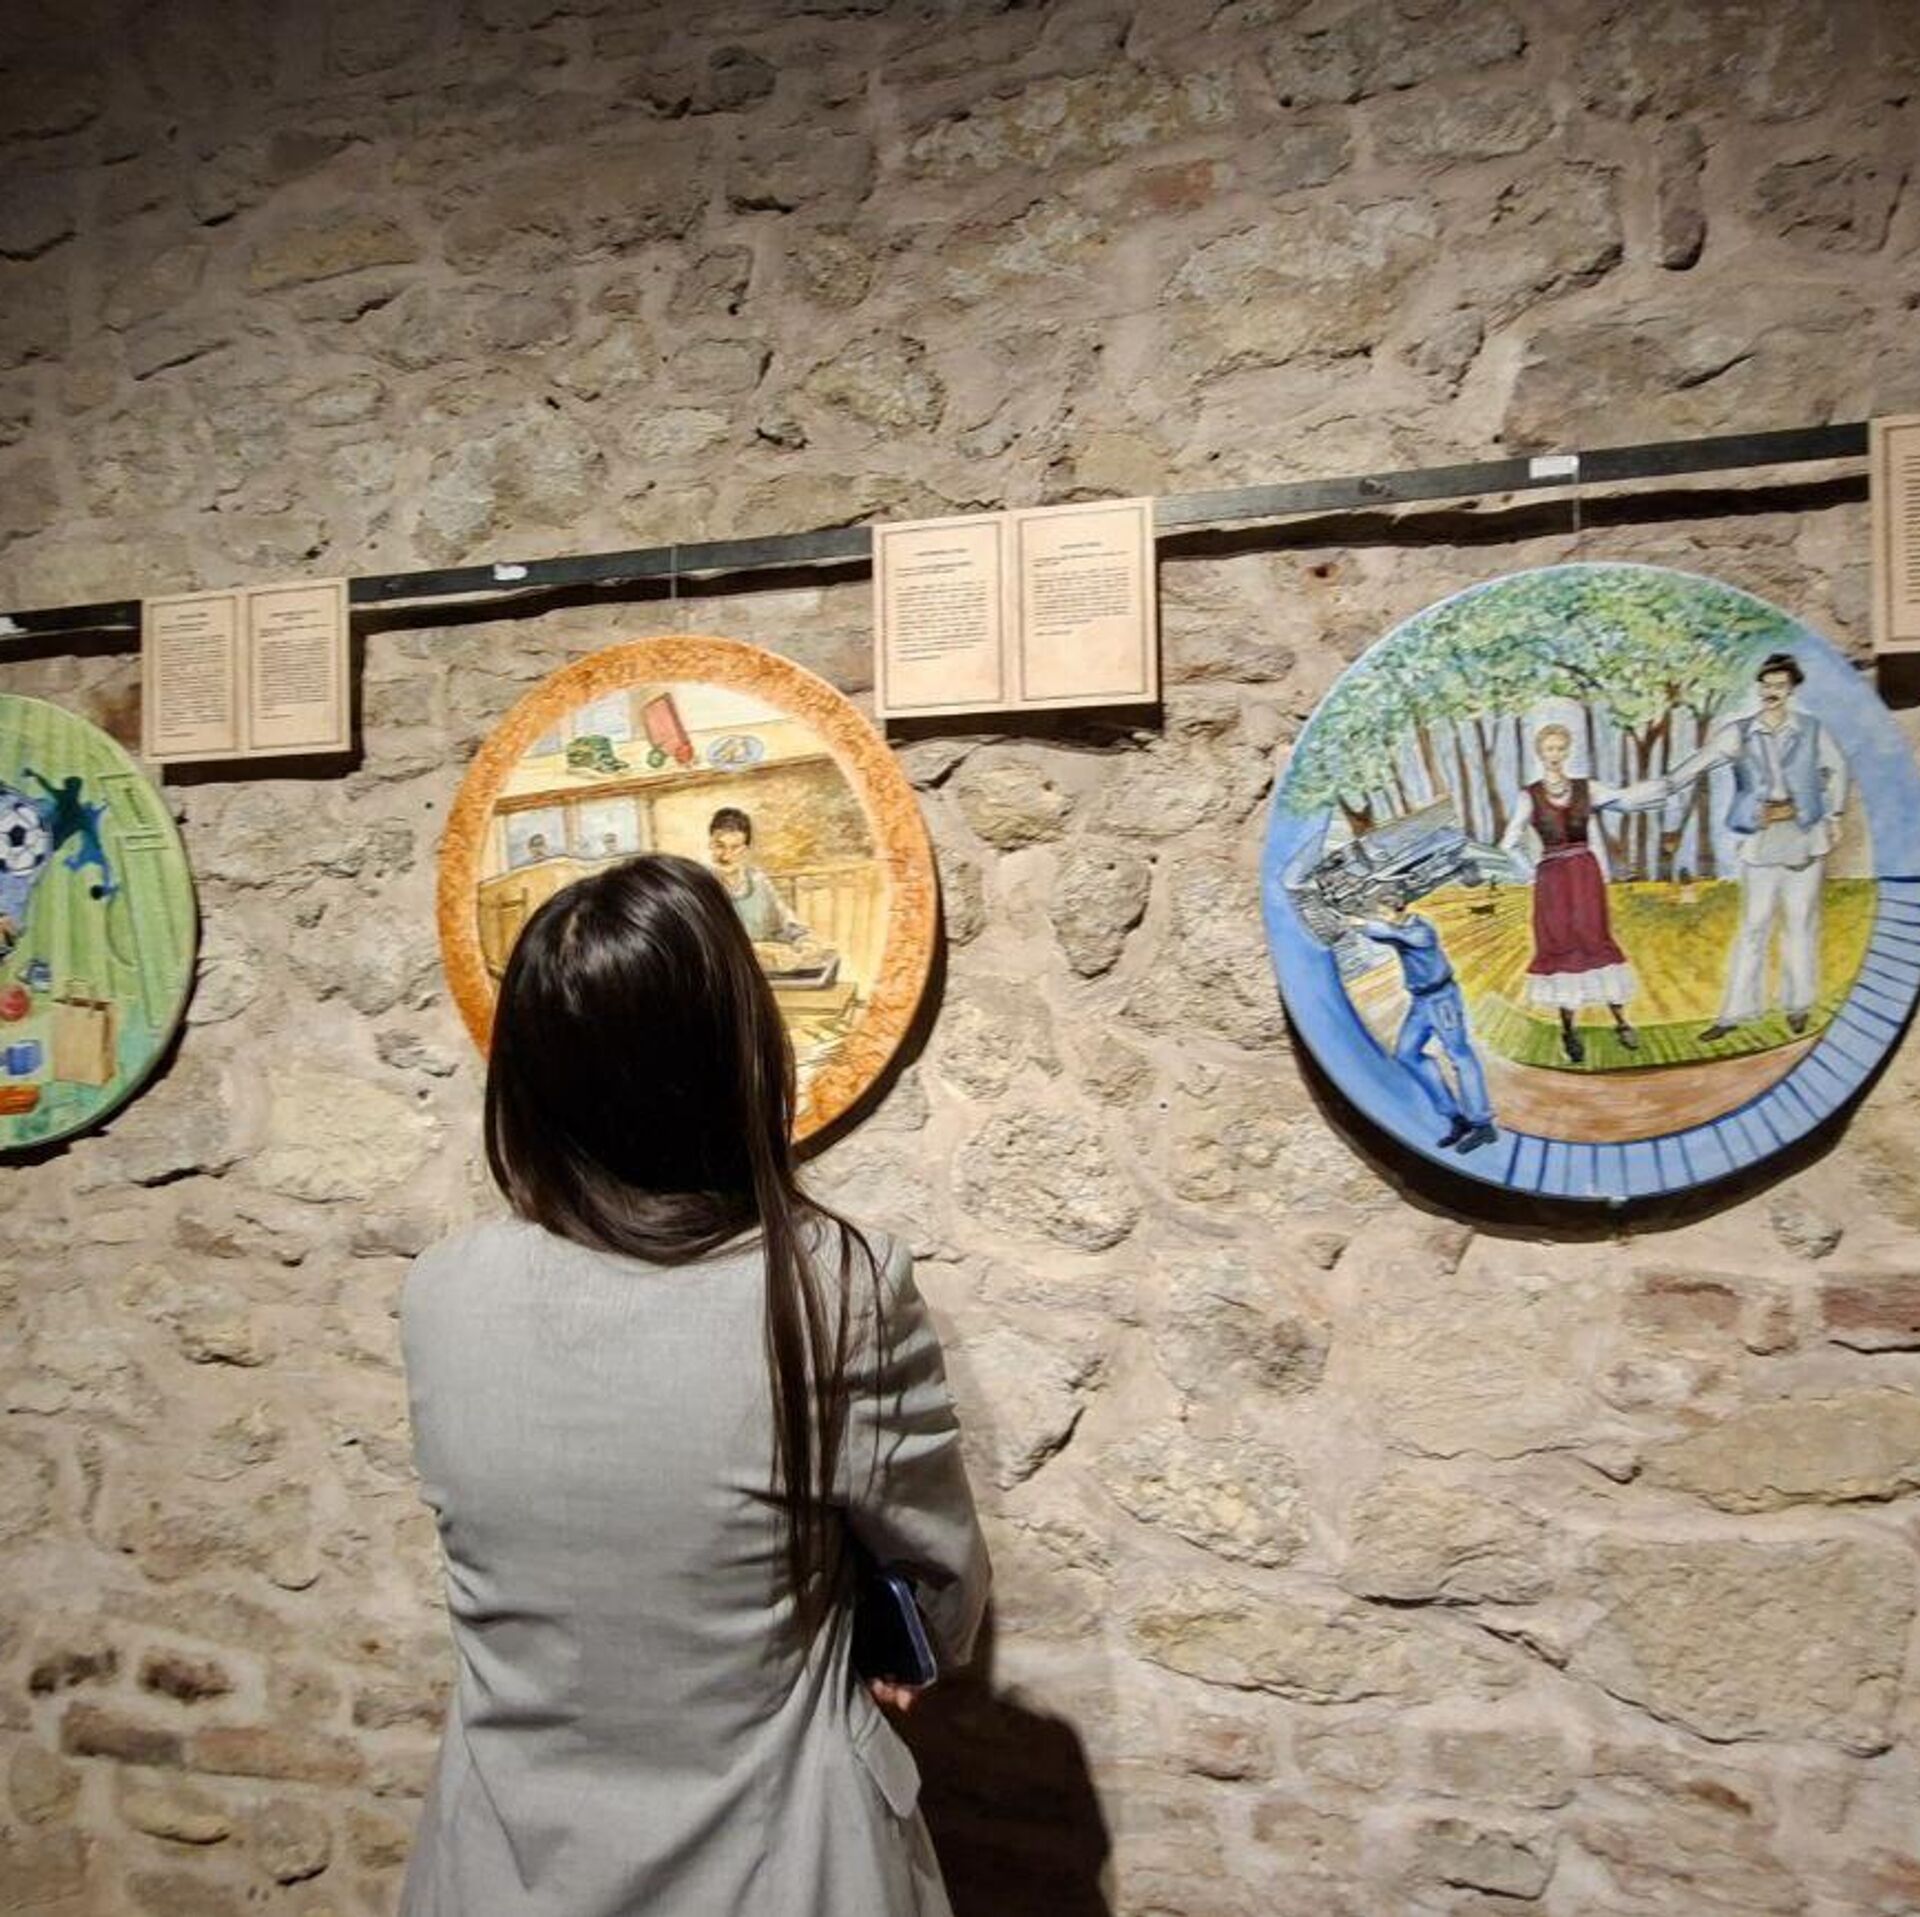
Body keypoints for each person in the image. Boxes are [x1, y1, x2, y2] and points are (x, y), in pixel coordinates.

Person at [400, 856, 989, 1917]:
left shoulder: (440, 1291)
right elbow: (939, 1585)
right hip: (785, 1866)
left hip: (501, 1865)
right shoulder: (838, 1286)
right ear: (736, 1046)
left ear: (525, 1075)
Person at [1660, 651, 1849, 1041]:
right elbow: (1701, 761)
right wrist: (1666, 786)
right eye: (1766, 685)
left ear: (1791, 689)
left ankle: (1798, 1006)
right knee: (1753, 925)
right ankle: (1736, 1013)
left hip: (1803, 836)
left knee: (1799, 923)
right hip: (1761, 839)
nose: (1772, 692)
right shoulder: (1740, 732)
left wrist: (1834, 815)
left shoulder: (1812, 729)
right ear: (1759, 688)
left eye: (1780, 685)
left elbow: (1837, 769)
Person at [1499, 722, 1666, 1063]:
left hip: (1585, 877)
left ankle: (1621, 1021)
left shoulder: (1585, 788)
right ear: (1540, 753)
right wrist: (1532, 874)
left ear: (1567, 751)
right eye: (1549, 749)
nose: (1555, 755)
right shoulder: (1529, 795)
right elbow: (1508, 842)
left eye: (1560, 748)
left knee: (1595, 940)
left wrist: (1663, 787)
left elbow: (1624, 799)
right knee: (1561, 946)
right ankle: (1568, 1030)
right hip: (1552, 882)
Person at [1347, 882, 1497, 1153]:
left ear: (1397, 909)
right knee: (1406, 1054)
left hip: (1442, 999)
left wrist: (1362, 923)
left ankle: (1482, 1124)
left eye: (1383, 912)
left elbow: (1390, 933)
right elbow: (1383, 934)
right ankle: (1455, 1117)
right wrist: (1358, 924)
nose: (1381, 917)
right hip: (1421, 1002)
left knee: (1459, 1055)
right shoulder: (1398, 930)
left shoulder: (1420, 929)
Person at [707, 804, 813, 945]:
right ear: (710, 844)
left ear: (745, 849)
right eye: (720, 846)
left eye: (735, 847)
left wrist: (802, 939)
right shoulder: (700, 883)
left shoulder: (758, 881)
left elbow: (785, 921)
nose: (726, 855)